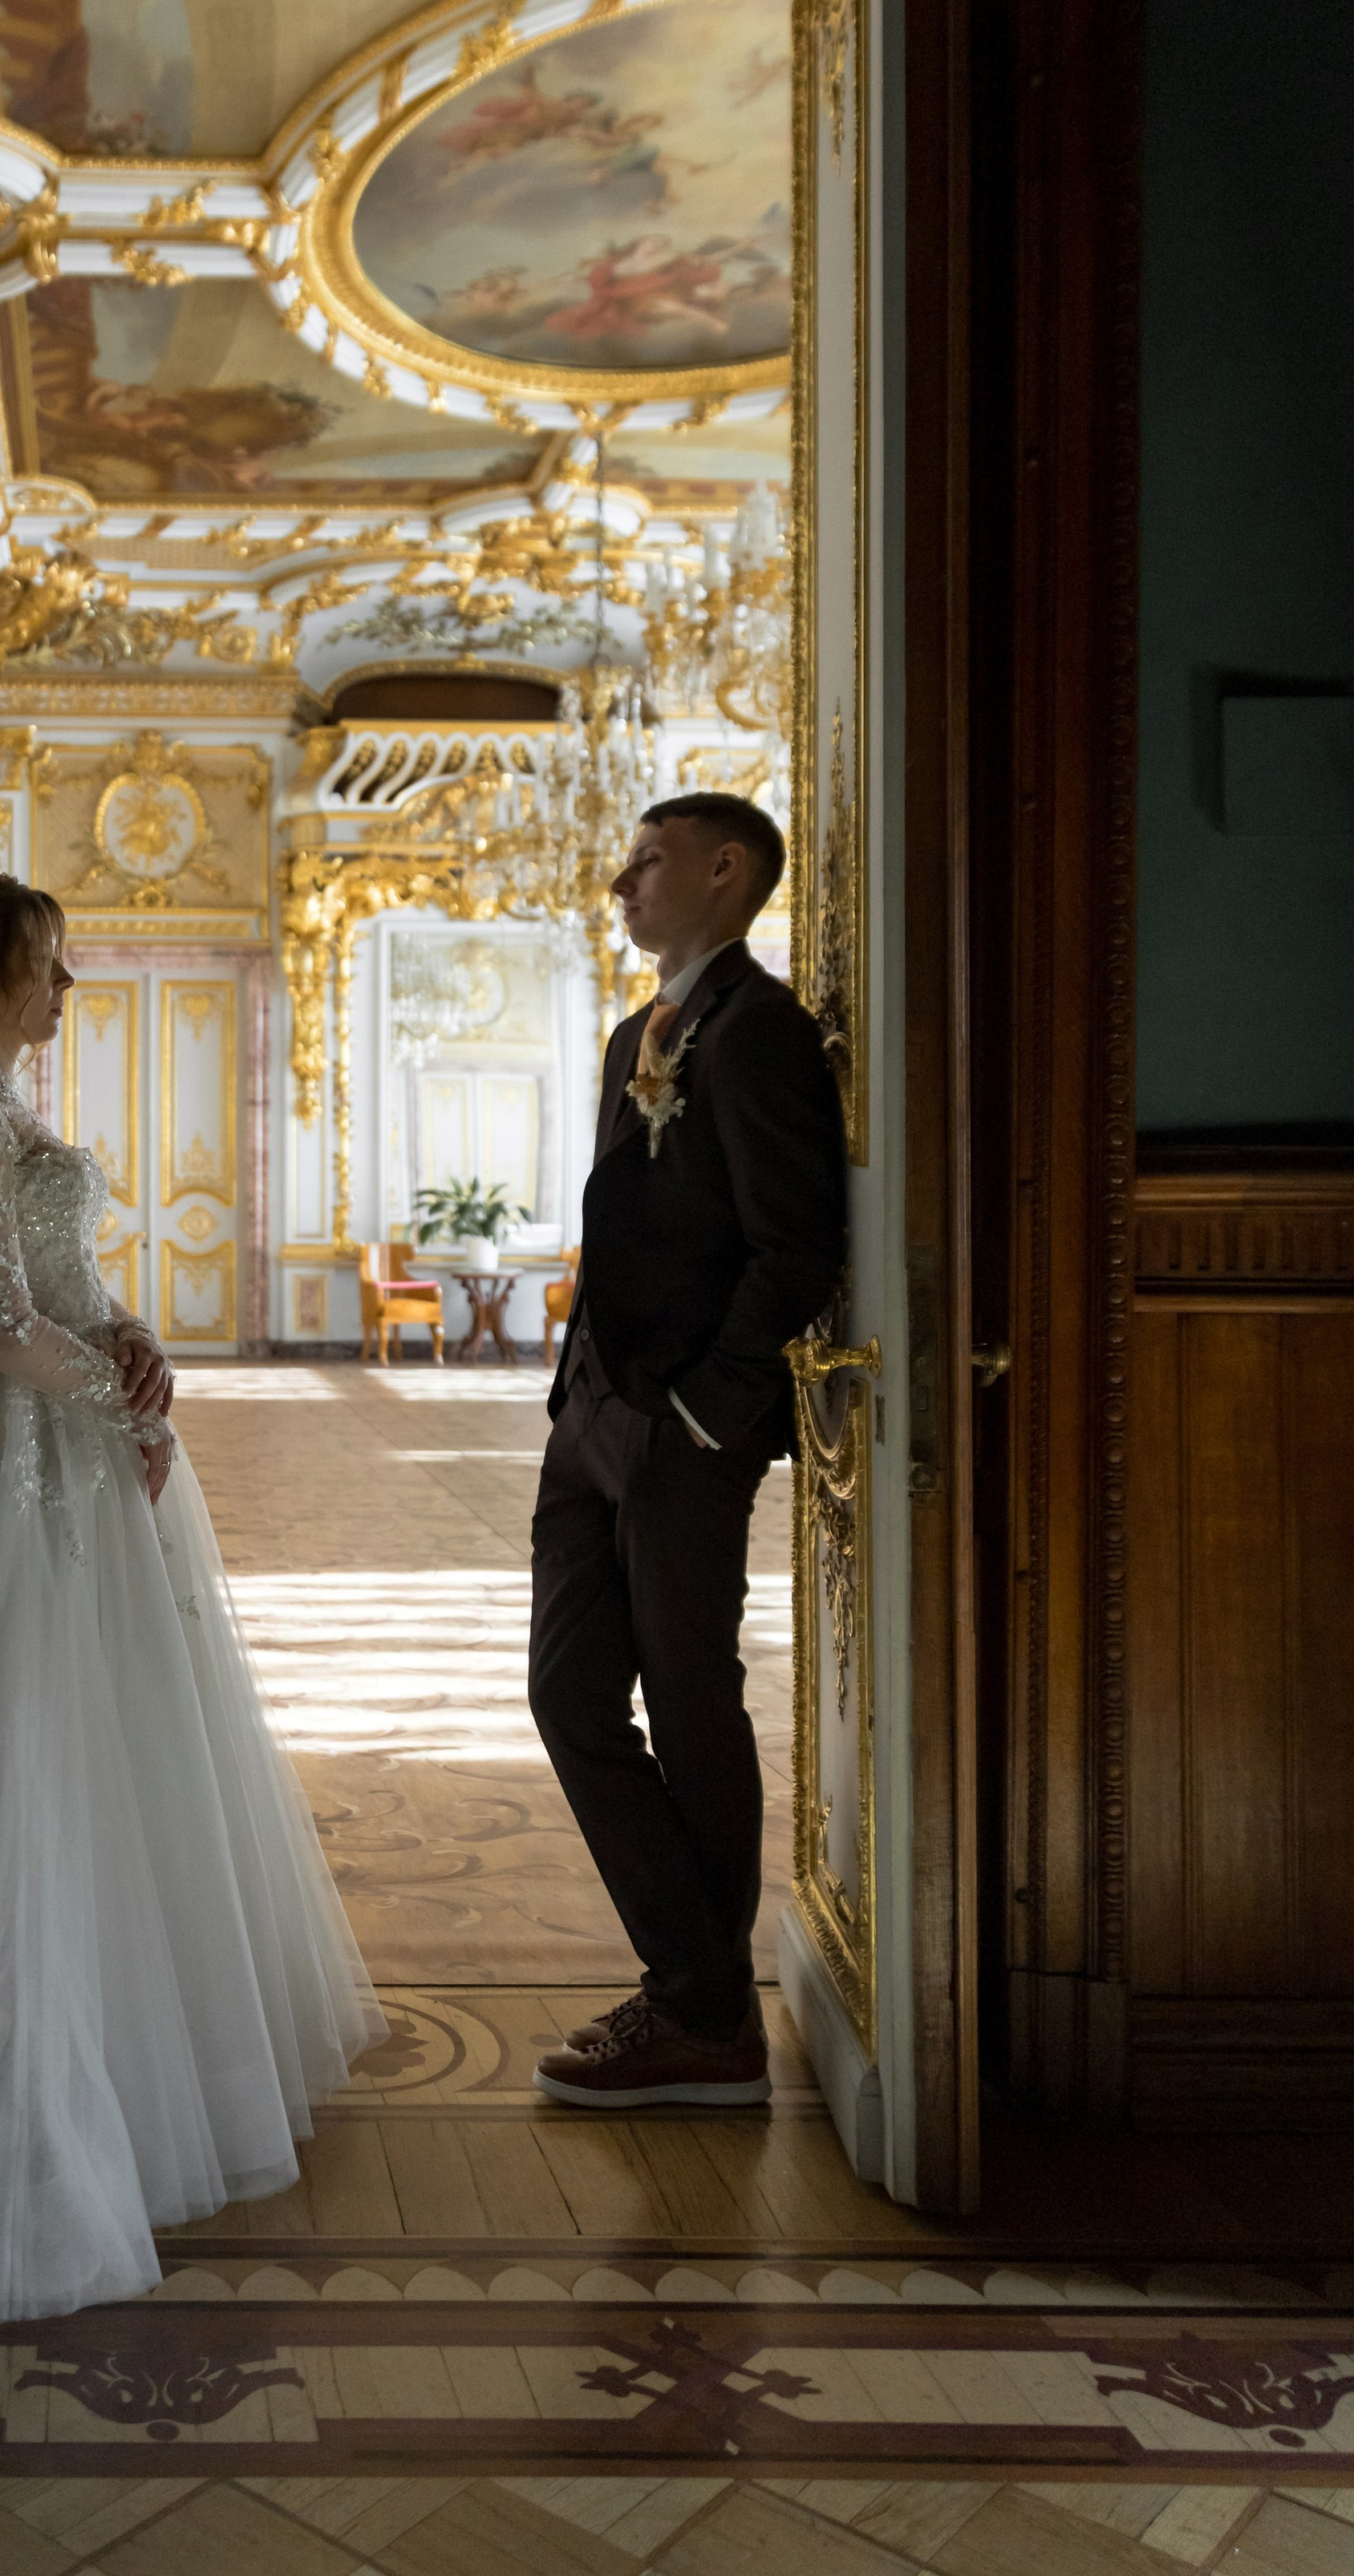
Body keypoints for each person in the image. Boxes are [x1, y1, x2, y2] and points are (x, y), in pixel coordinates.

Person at [0, 873, 381, 2329]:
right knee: (32, 1745)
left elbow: (58, 1278)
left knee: (122, 1736)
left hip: (69, 1427)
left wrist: (129, 1340)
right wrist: (115, 1398)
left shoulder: (1, 1108)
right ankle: (22, 2087)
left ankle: (135, 2048)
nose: (66, 991)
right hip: (16, 1450)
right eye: (47, 969)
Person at [529, 795, 845, 2108]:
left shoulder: (763, 1033)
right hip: (590, 1419)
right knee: (568, 1694)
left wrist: (712, 1412)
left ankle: (704, 2017)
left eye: (648, 860)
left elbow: (796, 1246)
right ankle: (703, 1993)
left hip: (684, 1433)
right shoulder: (632, 1037)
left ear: (726, 872)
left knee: (693, 1701)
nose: (620, 881)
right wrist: (580, 1398)